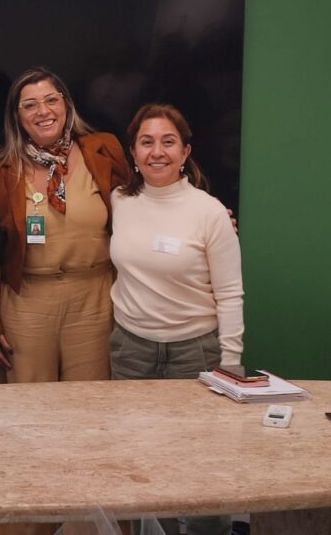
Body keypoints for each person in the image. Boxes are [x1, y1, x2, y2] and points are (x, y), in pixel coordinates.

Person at [110, 103, 242, 535]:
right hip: (131, 351)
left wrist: (231, 361)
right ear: (133, 152)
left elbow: (229, 293)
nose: (157, 152)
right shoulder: (119, 202)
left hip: (196, 354)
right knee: (141, 464)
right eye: (146, 142)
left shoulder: (210, 213)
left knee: (203, 463)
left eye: (168, 142)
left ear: (186, 152)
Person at [0, 67, 130, 392]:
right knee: (29, 407)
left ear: (66, 105)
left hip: (94, 300)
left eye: (51, 100)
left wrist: (200, 219)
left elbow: (139, 207)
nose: (44, 111)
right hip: (27, 304)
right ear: (16, 116)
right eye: (31, 105)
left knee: (89, 405)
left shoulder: (102, 151)